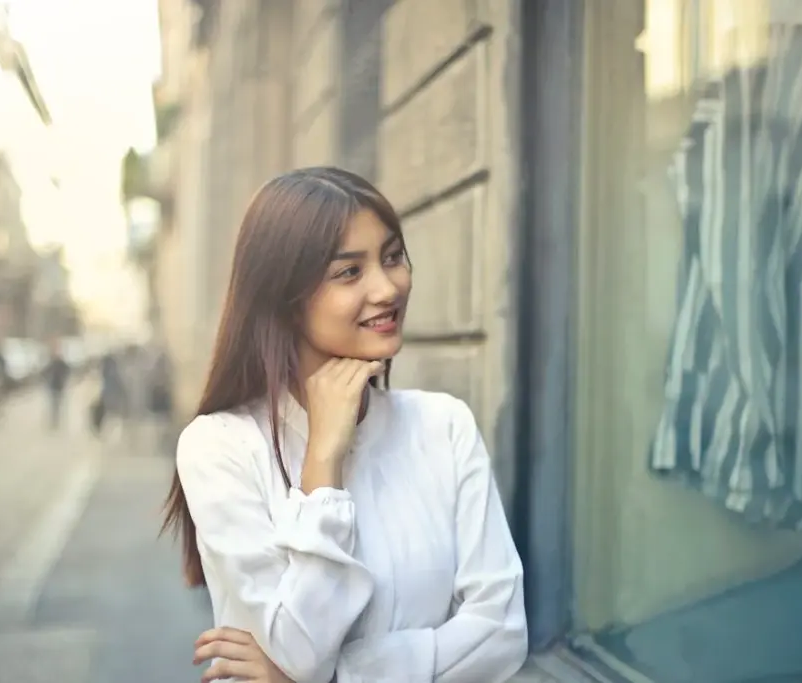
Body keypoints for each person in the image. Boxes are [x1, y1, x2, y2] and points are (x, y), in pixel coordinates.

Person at [162, 167, 528, 683]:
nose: (387, 288)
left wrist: (342, 678)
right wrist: (322, 465)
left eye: (393, 257)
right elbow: (299, 650)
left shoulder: (444, 426)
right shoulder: (219, 448)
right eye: (349, 273)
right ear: (285, 300)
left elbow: (502, 633)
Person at [42, 340, 71, 429]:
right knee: (53, 404)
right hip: (53, 386)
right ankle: (54, 420)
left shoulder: (62, 363)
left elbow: (67, 372)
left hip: (59, 386)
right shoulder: (52, 363)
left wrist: (63, 379)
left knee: (57, 404)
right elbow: (45, 372)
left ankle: (56, 420)